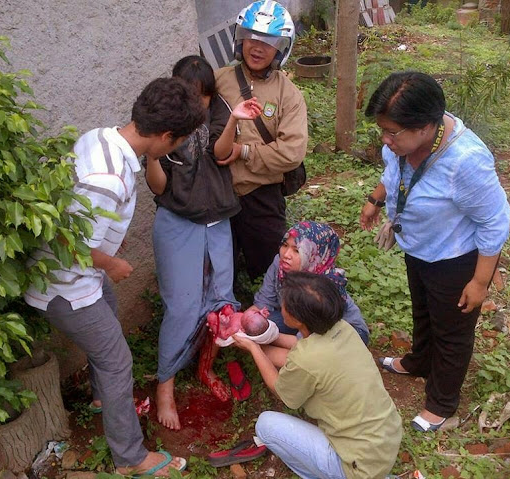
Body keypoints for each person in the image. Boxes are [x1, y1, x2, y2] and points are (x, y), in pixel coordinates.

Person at [24, 77, 206, 476]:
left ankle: (101, 397)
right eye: (176, 142)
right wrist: (111, 264)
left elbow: (80, 219)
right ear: (164, 136)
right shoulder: (108, 180)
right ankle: (131, 458)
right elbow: (68, 241)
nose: (174, 149)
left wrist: (106, 250)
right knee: (117, 359)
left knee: (108, 311)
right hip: (64, 285)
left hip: (80, 276)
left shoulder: (101, 137)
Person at [360, 71, 510, 433]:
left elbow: (495, 221)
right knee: (424, 311)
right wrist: (376, 199)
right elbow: (394, 171)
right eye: (382, 129)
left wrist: (479, 280)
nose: (385, 139)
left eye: (392, 132)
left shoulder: (465, 161)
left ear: (427, 127)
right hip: (421, 247)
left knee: (453, 331)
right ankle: (418, 361)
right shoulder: (401, 145)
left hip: (456, 259)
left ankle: (442, 405)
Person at [144, 55, 264, 430]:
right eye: (192, 98)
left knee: (220, 304)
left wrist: (230, 119)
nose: (199, 106)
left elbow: (218, 152)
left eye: (205, 98)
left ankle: (205, 367)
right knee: (182, 308)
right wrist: (152, 156)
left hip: (217, 222)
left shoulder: (219, 113)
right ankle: (166, 384)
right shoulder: (163, 126)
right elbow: (159, 188)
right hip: (178, 223)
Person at [232, 272, 402, 479]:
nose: (281, 304)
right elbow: (300, 347)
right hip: (386, 441)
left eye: (284, 303)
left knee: (266, 425)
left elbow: (280, 390)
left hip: (358, 467)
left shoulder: (306, 359)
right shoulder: (344, 329)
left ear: (296, 319)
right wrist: (266, 338)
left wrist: (253, 348)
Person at [215, 0, 308, 281]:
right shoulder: (217, 80)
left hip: (262, 196)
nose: (257, 47)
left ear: (282, 47)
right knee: (218, 272)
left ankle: (275, 320)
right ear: (239, 39)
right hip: (218, 194)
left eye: (268, 41)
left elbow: (291, 152)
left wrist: (244, 152)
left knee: (274, 272)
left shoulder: (289, 94)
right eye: (251, 37)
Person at [248, 221, 370, 345]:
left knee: (275, 350)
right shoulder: (279, 264)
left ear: (315, 254)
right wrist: (243, 321)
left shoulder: (326, 285)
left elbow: (306, 343)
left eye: (296, 251)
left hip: (343, 334)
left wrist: (266, 338)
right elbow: (264, 302)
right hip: (302, 324)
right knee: (255, 326)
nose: (286, 255)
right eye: (285, 245)